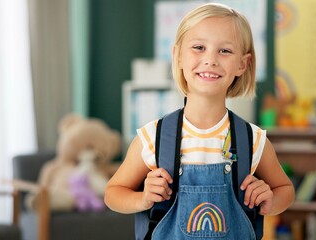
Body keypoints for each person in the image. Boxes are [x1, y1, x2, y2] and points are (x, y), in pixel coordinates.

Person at [105, 3, 295, 239]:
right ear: (178, 56)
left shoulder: (253, 140)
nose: (210, 59)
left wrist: (270, 202)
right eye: (198, 47)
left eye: (224, 51)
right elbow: (113, 194)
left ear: (242, 64)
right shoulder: (153, 137)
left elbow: (285, 190)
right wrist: (142, 198)